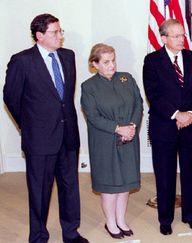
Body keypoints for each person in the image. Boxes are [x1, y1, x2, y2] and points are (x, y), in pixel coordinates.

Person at [3, 13, 88, 243]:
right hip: (39, 138)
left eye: (61, 31)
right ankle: (39, 236)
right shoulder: (22, 61)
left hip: (68, 135)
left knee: (70, 188)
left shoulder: (68, 56)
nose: (60, 36)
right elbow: (11, 97)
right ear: (39, 36)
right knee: (40, 191)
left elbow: (65, 98)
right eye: (55, 32)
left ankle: (71, 233)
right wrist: (29, 125)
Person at [142, 19, 192, 235]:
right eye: (176, 36)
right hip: (164, 126)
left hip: (190, 125)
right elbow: (153, 94)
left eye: (183, 35)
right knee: (165, 174)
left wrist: (191, 114)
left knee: (189, 172)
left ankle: (190, 216)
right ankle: (165, 219)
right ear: (164, 38)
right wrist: (176, 114)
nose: (182, 39)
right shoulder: (152, 61)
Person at [81, 43, 143, 239]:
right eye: (106, 62)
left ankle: (121, 219)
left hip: (129, 138)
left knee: (125, 182)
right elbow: (93, 116)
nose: (112, 65)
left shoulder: (127, 79)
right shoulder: (88, 87)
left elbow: (138, 104)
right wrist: (118, 128)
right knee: (110, 184)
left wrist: (132, 126)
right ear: (95, 64)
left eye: (113, 60)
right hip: (105, 141)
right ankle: (110, 222)